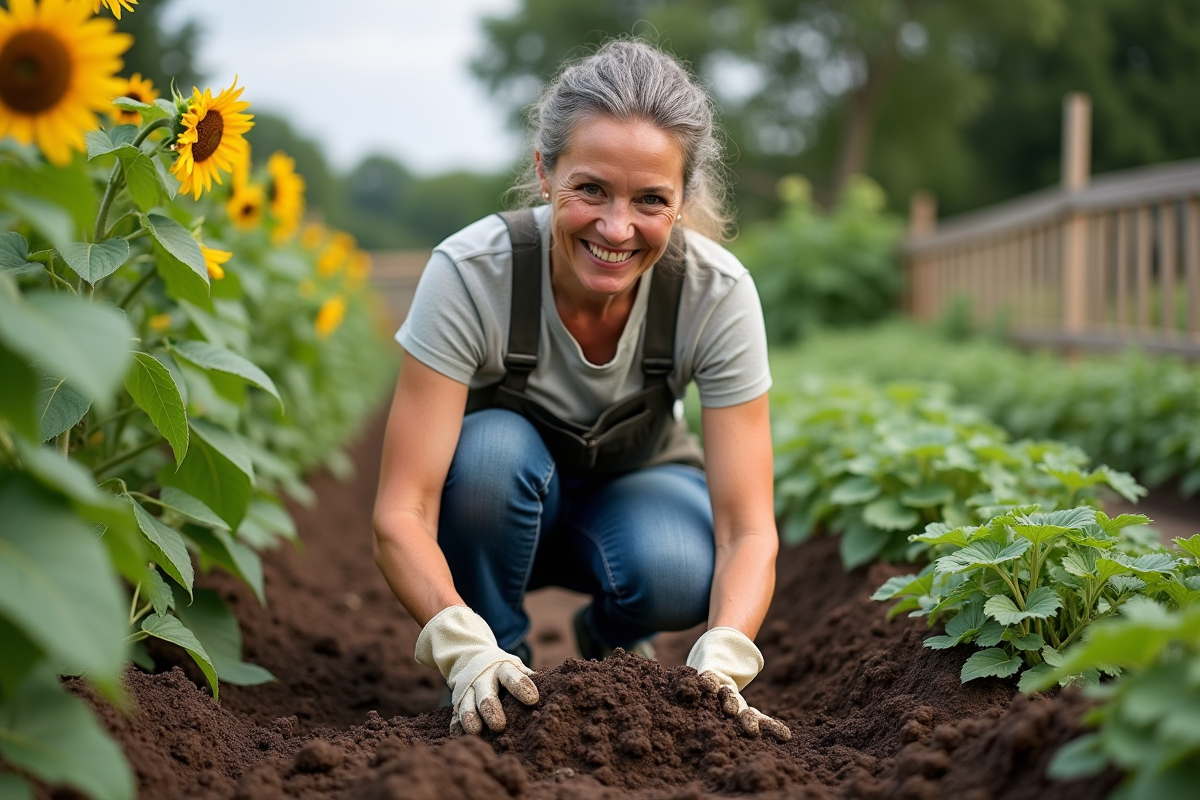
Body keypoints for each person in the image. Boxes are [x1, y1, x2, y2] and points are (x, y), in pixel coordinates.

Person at [372, 39, 788, 743]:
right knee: (487, 459)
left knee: (681, 564)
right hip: (497, 513)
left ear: (682, 202)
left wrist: (724, 653)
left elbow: (745, 529)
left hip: (636, 504)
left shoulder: (714, 294)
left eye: (650, 200)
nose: (616, 227)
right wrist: (458, 645)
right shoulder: (474, 274)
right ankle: (499, 670)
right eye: (591, 188)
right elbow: (402, 512)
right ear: (544, 173)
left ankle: (615, 646)